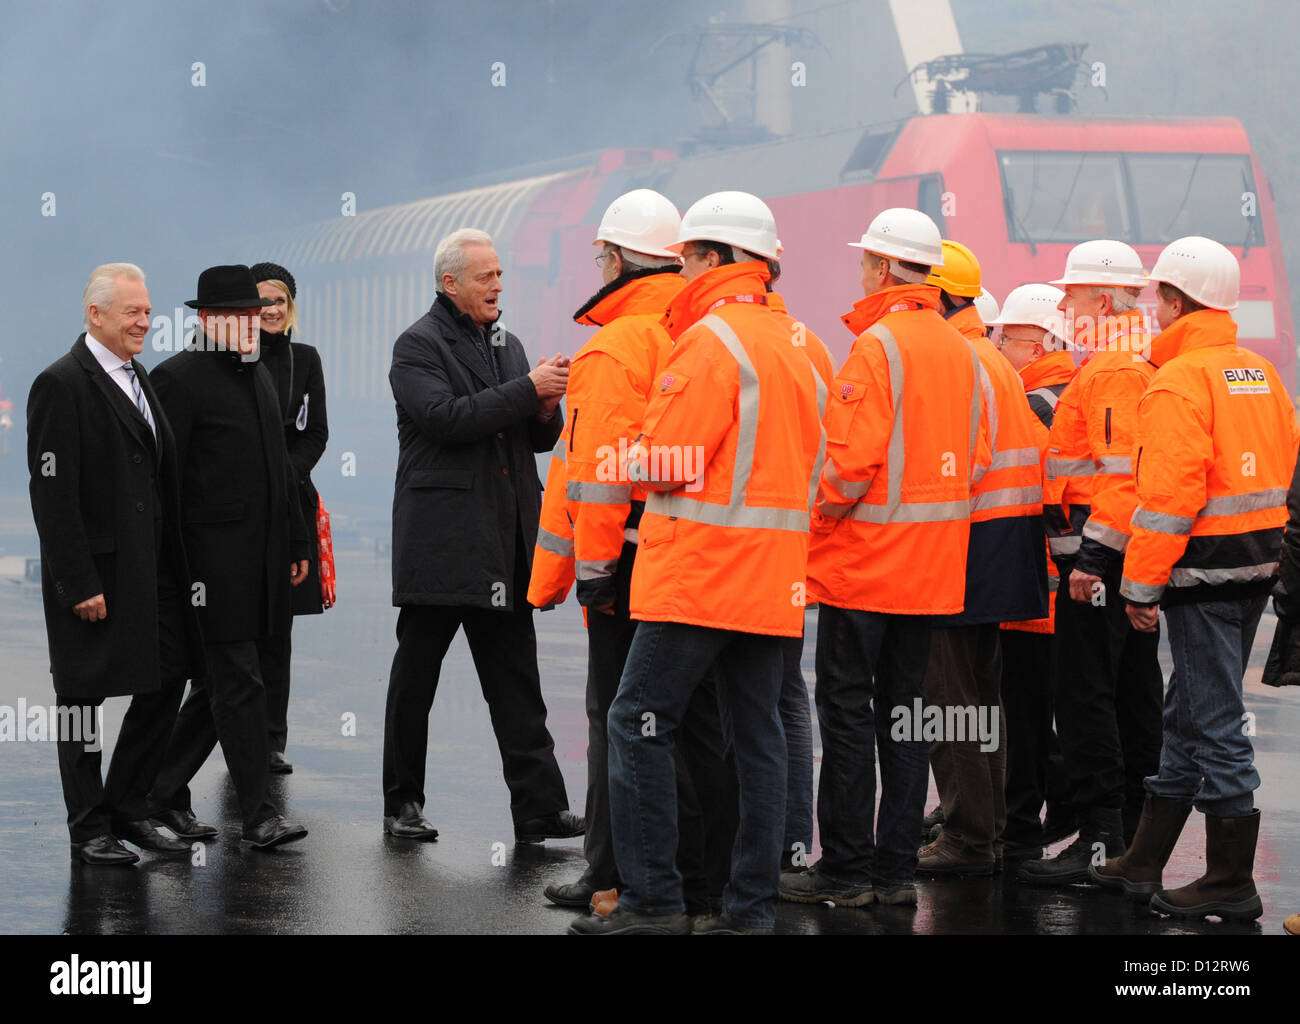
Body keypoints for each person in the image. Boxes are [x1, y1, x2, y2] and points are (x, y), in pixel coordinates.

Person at [571, 191, 830, 935]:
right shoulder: (808, 346)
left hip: (701, 576)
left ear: (714, 258)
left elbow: (664, 462)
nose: (681, 273)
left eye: (687, 259)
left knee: (636, 719)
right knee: (759, 737)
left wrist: (624, 452)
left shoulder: (711, 339)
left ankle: (654, 902)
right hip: (776, 575)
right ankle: (749, 909)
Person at [782, 209, 989, 907]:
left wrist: (815, 524)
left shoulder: (876, 347)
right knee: (906, 717)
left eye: (865, 260)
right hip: (932, 572)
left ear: (880, 267)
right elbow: (979, 459)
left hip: (864, 566)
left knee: (846, 714)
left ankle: (843, 870)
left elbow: (846, 465)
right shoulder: (962, 350)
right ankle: (895, 875)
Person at [1091, 236, 1299, 921]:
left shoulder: (1179, 380)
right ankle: (1144, 861)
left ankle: (1230, 880)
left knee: (1212, 723)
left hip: (1202, 575)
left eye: (1160, 299)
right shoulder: (1259, 373)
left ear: (1179, 301)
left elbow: (1169, 497)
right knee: (1187, 713)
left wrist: (1140, 586)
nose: (1153, 311)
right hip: (1253, 568)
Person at [382, 228, 582, 844]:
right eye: (486, 275)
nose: (499, 284)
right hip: (443, 546)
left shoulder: (510, 345)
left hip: (504, 542)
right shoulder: (416, 346)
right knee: (416, 683)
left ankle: (540, 809)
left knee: (517, 683)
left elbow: (532, 439)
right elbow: (446, 420)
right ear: (450, 283)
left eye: (499, 274)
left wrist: (547, 407)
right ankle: (402, 805)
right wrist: (529, 390)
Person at [527, 189, 692, 908]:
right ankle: (687, 871)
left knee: (616, 718)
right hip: (690, 556)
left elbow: (598, 477)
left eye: (601, 254)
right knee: (682, 722)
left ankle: (609, 871)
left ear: (618, 258)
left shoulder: (615, 344)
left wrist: (587, 574)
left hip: (623, 560)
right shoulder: (700, 329)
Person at [27, 263, 203, 864]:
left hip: (150, 567)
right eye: (132, 311)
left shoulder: (139, 377)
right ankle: (87, 828)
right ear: (95, 315)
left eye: (148, 311)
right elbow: (52, 494)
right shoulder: (61, 384)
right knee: (81, 697)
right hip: (95, 575)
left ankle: (128, 805)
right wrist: (77, 580)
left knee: (168, 672)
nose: (145, 321)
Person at [146, 265, 310, 850]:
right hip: (209, 572)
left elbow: (281, 472)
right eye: (238, 316)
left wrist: (296, 542)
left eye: (254, 314)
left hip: (263, 564)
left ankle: (158, 792)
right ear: (208, 320)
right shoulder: (176, 380)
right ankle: (260, 815)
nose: (252, 324)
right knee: (239, 684)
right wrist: (178, 571)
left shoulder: (261, 376)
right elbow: (165, 485)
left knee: (222, 689)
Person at [1018, 240, 1163, 885]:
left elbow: (1120, 478)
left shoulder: (1113, 372)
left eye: (1072, 297)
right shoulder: (1133, 362)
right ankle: (1125, 836)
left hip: (1098, 559)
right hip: (1119, 556)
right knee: (1130, 692)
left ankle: (1104, 837)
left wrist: (1093, 561)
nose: (1065, 307)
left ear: (1102, 301)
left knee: (1088, 697)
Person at [916, 241, 1047, 877]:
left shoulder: (955, 358)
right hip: (1003, 542)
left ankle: (967, 839)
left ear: (938, 296)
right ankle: (985, 830)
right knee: (981, 696)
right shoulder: (986, 355)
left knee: (950, 696)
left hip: (966, 544)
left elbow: (954, 468)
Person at [989, 284, 1077, 861]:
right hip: (1059, 588)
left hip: (1032, 590)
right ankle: (1055, 809)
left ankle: (1019, 825)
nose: (1000, 348)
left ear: (1043, 341)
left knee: (1021, 714)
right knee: (1050, 708)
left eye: (1009, 338)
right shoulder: (1073, 392)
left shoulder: (1035, 405)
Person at [250, 262, 329, 774]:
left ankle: (271, 740)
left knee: (279, 631)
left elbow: (316, 432)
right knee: (242, 628)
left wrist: (288, 475)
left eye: (279, 301)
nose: (271, 311)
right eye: (262, 302)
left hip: (290, 503)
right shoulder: (236, 358)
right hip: (242, 503)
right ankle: (237, 731)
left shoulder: (306, 359)